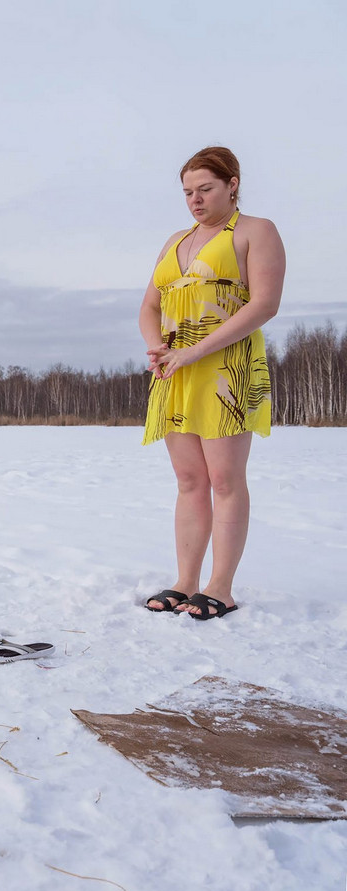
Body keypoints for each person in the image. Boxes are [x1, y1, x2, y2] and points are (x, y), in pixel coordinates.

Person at [139, 147, 285, 620]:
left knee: (224, 480)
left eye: (205, 189)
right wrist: (158, 346)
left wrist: (194, 351)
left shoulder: (255, 231)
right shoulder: (174, 240)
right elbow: (150, 306)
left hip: (226, 367)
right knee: (189, 480)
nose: (195, 201)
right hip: (176, 369)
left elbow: (263, 305)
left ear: (233, 184)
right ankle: (185, 582)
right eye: (187, 192)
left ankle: (219, 588)